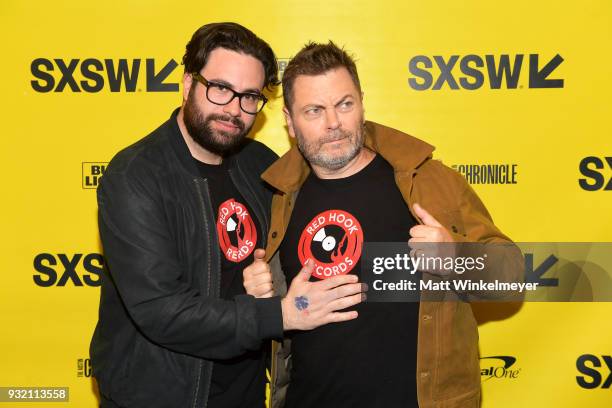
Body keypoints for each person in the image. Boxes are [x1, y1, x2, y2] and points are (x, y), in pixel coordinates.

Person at [90, 25, 367, 408]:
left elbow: (334, 157)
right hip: (160, 395)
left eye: (249, 96)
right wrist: (284, 313)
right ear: (188, 84)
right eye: (220, 88)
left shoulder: (260, 166)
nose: (233, 109)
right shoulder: (136, 177)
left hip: (246, 392)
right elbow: (162, 312)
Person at [256, 41, 522, 408]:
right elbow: (278, 311)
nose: (333, 123)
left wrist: (455, 259)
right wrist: (265, 300)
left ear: (362, 102)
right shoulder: (277, 197)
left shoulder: (428, 182)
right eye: (314, 110)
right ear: (288, 119)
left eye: (344, 105)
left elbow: (511, 278)